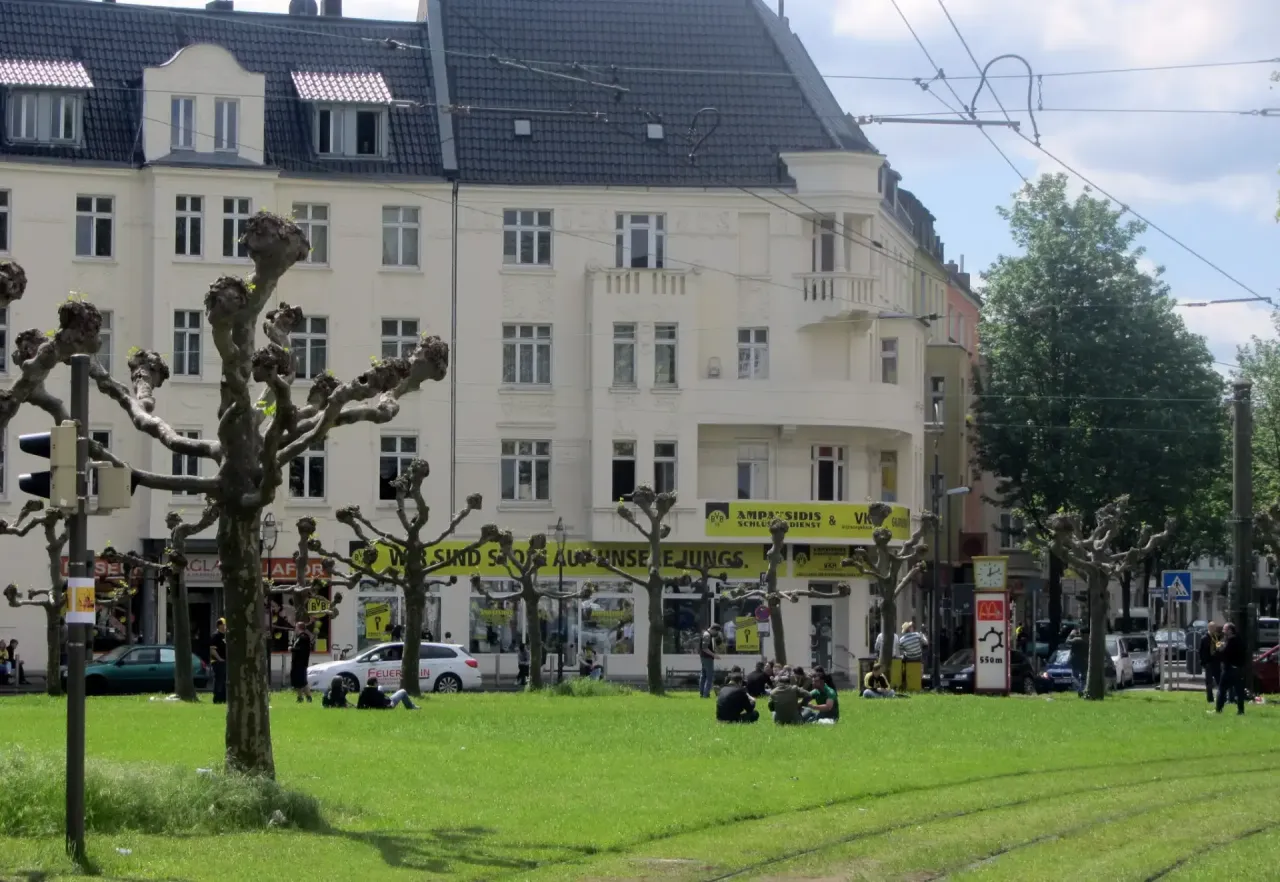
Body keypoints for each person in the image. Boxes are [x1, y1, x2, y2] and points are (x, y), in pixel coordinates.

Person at [1214, 622, 1247, 715]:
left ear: (1230, 630)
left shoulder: (1231, 642)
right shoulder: (1239, 640)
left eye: (1225, 629)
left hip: (1229, 669)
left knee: (1221, 689)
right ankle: (1241, 710)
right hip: (1239, 669)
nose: (1223, 631)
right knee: (1239, 691)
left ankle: (1218, 709)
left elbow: (1225, 654)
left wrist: (1219, 648)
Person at [290, 620, 314, 703]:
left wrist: (292, 649)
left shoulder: (304, 637)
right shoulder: (299, 637)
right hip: (296, 663)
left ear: (299, 628)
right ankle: (300, 697)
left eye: (296, 627)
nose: (295, 629)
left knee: (302, 681)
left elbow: (302, 650)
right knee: (298, 681)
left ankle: (308, 697)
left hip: (301, 663)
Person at [899, 621, 928, 690]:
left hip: (909, 658)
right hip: (918, 657)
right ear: (910, 629)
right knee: (923, 656)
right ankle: (922, 678)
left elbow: (901, 649)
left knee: (901, 660)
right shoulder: (917, 635)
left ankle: (904, 678)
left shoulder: (901, 640)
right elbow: (925, 643)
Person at [1199, 622, 1222, 704]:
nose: (1213, 629)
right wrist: (1203, 662)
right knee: (1209, 682)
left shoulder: (1217, 638)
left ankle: (1220, 697)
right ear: (1209, 628)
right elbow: (1201, 652)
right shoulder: (1204, 638)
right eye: (1212, 628)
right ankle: (1210, 698)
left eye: (1214, 628)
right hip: (1208, 663)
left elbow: (1219, 649)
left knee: (1219, 681)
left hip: (1216, 662)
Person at [698, 624, 721, 698]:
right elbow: (705, 648)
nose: (716, 634)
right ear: (713, 629)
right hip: (707, 658)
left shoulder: (705, 633)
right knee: (709, 677)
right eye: (716, 632)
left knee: (703, 676)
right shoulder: (707, 635)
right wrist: (714, 655)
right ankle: (706, 694)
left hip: (703, 657)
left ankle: (702, 693)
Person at [209, 618, 228, 704]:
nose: (225, 626)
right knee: (219, 680)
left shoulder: (225, 636)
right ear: (220, 626)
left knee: (224, 680)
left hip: (224, 661)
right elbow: (212, 649)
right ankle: (217, 699)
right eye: (224, 625)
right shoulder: (215, 636)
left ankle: (223, 698)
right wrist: (219, 659)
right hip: (217, 662)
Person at [1066, 629, 1088, 697]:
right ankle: (1082, 689)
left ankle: (1079, 689)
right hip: (1084, 661)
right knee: (1083, 678)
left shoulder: (1077, 639)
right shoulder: (1089, 640)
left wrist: (1071, 634)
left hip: (1075, 660)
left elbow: (1067, 642)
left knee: (1075, 676)